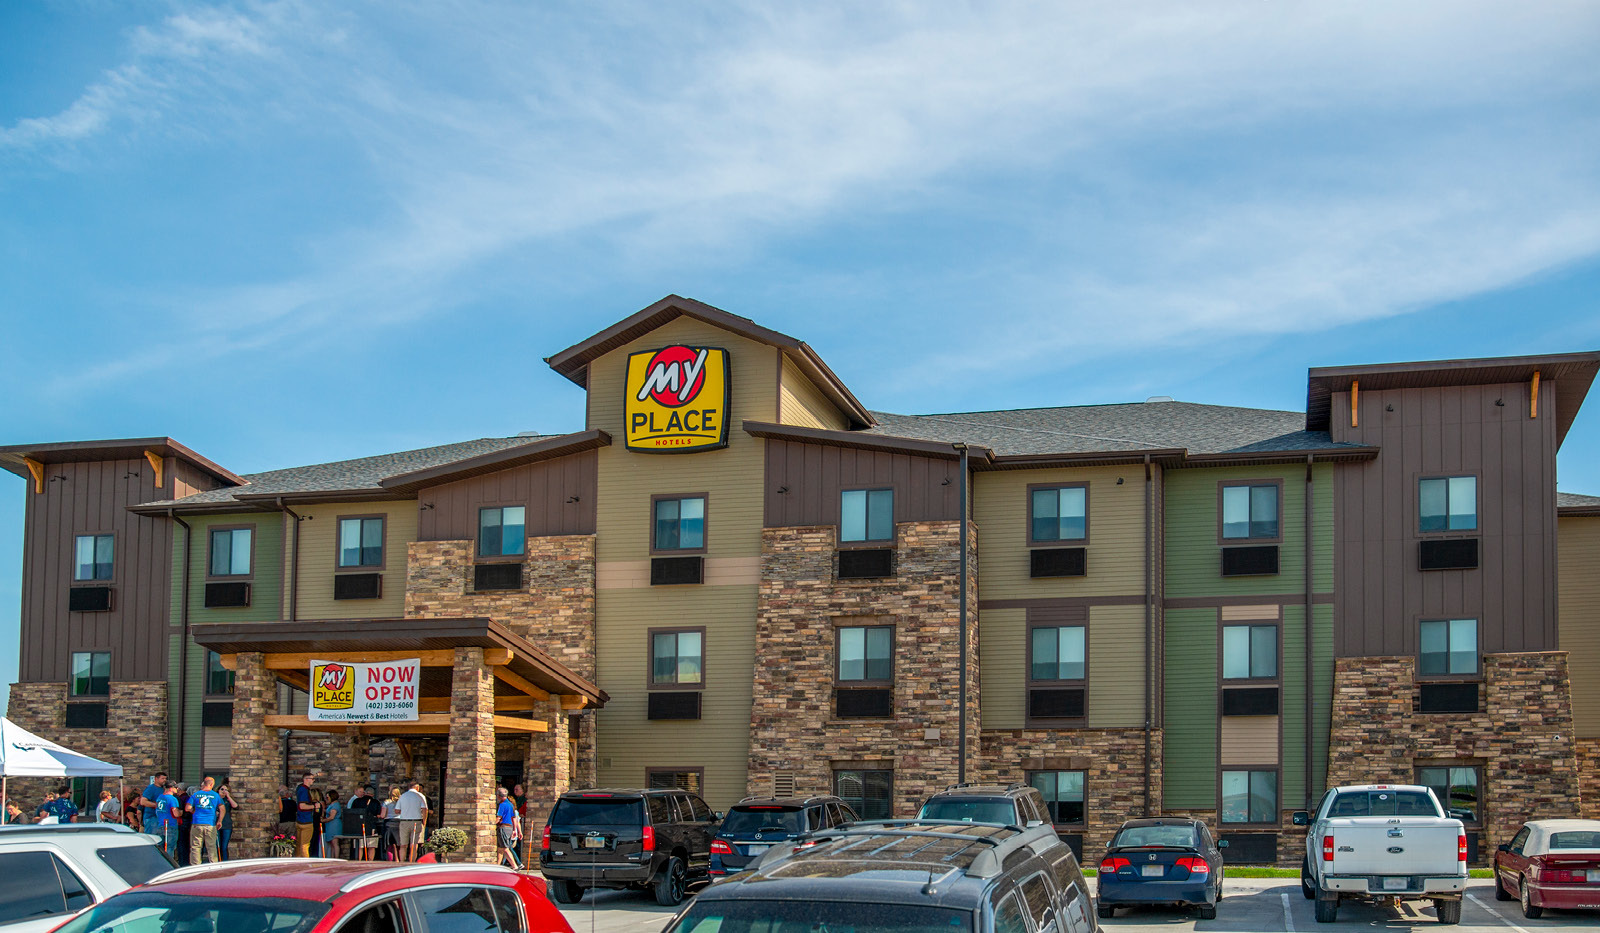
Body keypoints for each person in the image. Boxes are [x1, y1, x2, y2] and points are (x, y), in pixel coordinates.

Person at [186, 777, 225, 864]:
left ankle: (196, 867)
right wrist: (220, 821)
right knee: (211, 846)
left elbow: (187, 808)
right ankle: (213, 865)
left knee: (196, 846)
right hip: (210, 823)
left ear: (204, 783)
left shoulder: (196, 795)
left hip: (197, 823)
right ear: (211, 784)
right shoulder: (215, 795)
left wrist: (193, 811)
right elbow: (222, 808)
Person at [396, 781, 428, 862]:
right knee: (414, 845)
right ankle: (411, 862)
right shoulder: (420, 796)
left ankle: (402, 862)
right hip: (416, 821)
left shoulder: (402, 796)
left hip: (404, 821)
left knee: (403, 845)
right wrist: (424, 821)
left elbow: (397, 810)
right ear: (417, 787)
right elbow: (425, 809)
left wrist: (405, 810)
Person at [294, 772, 319, 858]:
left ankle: (298, 862)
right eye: (312, 779)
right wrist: (314, 806)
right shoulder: (304, 790)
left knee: (299, 844)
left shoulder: (299, 788)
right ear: (306, 780)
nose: (313, 781)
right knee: (305, 845)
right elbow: (302, 806)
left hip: (299, 820)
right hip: (306, 821)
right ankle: (306, 863)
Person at [495, 787, 520, 869]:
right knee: (500, 848)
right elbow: (514, 818)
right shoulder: (511, 804)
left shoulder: (502, 805)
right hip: (510, 828)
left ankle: (515, 866)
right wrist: (514, 830)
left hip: (503, 827)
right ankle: (497, 866)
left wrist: (491, 824)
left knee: (505, 848)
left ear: (498, 796)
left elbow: (499, 817)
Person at [156, 782, 182, 856]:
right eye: (175, 787)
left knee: (160, 847)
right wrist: (180, 813)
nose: (177, 789)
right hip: (170, 825)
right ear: (171, 788)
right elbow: (175, 813)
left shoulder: (159, 797)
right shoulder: (172, 799)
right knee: (170, 847)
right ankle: (169, 864)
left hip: (160, 824)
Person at [140, 772, 167, 837]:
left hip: (161, 818)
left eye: (165, 778)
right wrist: (157, 805)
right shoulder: (151, 788)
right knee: (152, 838)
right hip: (151, 817)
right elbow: (143, 802)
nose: (164, 780)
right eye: (162, 778)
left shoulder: (164, 789)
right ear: (156, 779)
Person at [380, 786, 402, 861]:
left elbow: (383, 815)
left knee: (389, 845)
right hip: (399, 823)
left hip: (389, 823)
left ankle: (390, 862)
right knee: (399, 844)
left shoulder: (386, 802)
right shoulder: (401, 802)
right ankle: (399, 860)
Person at [322, 788, 343, 859]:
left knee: (335, 843)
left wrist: (322, 820)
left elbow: (331, 817)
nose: (326, 799)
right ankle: (332, 857)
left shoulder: (335, 805)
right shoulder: (331, 805)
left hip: (334, 825)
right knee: (332, 843)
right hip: (330, 825)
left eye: (327, 797)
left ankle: (336, 857)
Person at [218, 785, 237, 860]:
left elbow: (235, 806)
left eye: (226, 790)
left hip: (226, 825)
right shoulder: (216, 799)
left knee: (224, 846)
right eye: (222, 789)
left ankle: (225, 861)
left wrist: (228, 796)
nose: (223, 791)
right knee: (217, 845)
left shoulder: (227, 800)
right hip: (216, 824)